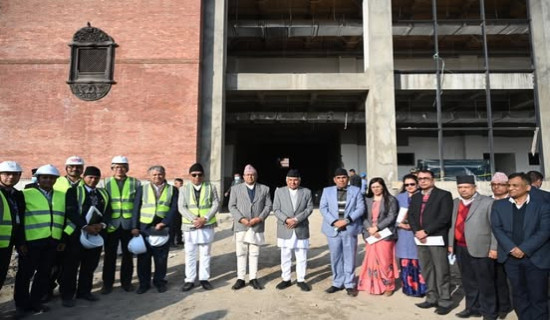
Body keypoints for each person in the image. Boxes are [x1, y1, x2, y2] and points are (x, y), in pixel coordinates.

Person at [491, 172, 550, 320]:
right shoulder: (499, 205)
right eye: (509, 185)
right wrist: (512, 249)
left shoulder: (542, 206)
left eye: (515, 185)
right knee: (518, 295)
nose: (511, 188)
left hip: (535, 258)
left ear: (528, 187)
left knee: (538, 296)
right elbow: (497, 228)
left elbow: (544, 231)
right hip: (511, 260)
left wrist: (524, 249)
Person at [14, 165, 66, 316]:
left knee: (44, 274)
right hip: (31, 242)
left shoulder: (62, 195)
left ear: (56, 180)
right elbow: (20, 220)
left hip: (52, 241)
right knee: (25, 274)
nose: (48, 180)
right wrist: (21, 242)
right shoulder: (25, 194)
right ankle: (22, 306)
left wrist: (62, 239)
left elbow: (64, 219)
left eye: (51, 178)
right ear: (38, 178)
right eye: (45, 177)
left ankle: (36, 302)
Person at [60, 166, 111, 307]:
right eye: (90, 177)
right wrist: (85, 226)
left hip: (95, 234)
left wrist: (101, 225)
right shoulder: (74, 191)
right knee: (71, 266)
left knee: (90, 265)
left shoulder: (103, 193)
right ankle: (67, 295)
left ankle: (84, 291)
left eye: (96, 178)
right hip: (76, 234)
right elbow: (71, 211)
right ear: (84, 177)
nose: (93, 180)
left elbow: (108, 212)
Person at [448, 175, 498, 319]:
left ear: (474, 188)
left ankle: (489, 312)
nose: (463, 190)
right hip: (461, 248)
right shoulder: (455, 202)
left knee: (485, 282)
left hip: (482, 248)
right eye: (460, 187)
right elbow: (452, 224)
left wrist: (494, 248)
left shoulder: (488, 202)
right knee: (468, 281)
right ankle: (472, 308)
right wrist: (451, 244)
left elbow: (495, 228)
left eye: (466, 187)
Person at [408, 170, 453, 315]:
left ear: (433, 180)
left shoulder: (444, 195)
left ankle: (445, 300)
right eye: (420, 179)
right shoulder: (415, 197)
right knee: (427, 269)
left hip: (436, 238)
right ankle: (431, 297)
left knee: (441, 270)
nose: (422, 181)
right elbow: (411, 216)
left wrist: (426, 231)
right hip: (420, 239)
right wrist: (417, 231)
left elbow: (444, 218)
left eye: (426, 179)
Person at [131, 166, 178, 294]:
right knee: (143, 258)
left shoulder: (172, 189)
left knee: (161, 258)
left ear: (164, 175)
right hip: (144, 227)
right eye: (154, 175)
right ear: (149, 176)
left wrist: (164, 222)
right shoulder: (142, 189)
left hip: (162, 227)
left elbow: (174, 209)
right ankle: (144, 284)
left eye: (160, 174)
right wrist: (134, 227)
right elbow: (136, 208)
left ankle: (159, 281)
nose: (157, 177)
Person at [319, 168, 365, 297]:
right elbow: (323, 208)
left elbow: (361, 208)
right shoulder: (327, 191)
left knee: (350, 257)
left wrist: (347, 220)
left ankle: (349, 284)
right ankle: (337, 283)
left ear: (348, 179)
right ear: (334, 179)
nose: (341, 180)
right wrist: (334, 222)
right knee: (336, 257)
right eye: (338, 178)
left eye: (343, 177)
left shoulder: (356, 191)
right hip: (332, 228)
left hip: (349, 228)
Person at [229, 164, 272, 290]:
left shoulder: (264, 189)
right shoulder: (236, 189)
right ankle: (240, 278)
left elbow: (268, 206)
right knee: (241, 253)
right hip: (241, 225)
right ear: (243, 176)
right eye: (247, 175)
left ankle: (253, 278)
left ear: (256, 176)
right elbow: (232, 206)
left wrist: (259, 218)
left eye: (252, 174)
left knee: (254, 253)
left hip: (256, 225)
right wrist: (241, 219)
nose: (250, 177)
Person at [102, 156, 140, 294]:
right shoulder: (105, 182)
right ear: (112, 168)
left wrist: (135, 225)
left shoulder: (135, 183)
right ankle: (107, 284)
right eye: (116, 167)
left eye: (123, 166)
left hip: (128, 225)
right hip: (112, 225)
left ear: (127, 168)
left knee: (128, 256)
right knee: (109, 256)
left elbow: (137, 206)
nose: (120, 169)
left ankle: (126, 282)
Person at [178, 163, 219, 291]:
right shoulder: (184, 189)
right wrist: (194, 220)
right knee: (190, 253)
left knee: (205, 253)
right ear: (190, 176)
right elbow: (181, 207)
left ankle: (204, 279)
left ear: (203, 175)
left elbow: (216, 204)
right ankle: (189, 280)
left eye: (200, 175)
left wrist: (204, 218)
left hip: (206, 225)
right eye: (194, 175)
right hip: (190, 226)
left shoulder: (211, 187)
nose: (197, 177)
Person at [273, 169, 314, 292]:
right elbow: (276, 209)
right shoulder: (279, 192)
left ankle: (301, 279)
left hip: (300, 227)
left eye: (295, 180)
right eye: (290, 180)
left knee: (301, 255)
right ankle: (286, 279)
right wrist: (286, 220)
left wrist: (296, 219)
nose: (293, 182)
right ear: (286, 180)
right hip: (285, 227)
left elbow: (309, 208)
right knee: (285, 255)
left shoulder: (306, 192)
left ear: (299, 180)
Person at [357, 177, 398, 296]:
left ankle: (389, 285)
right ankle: (373, 284)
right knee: (371, 261)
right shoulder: (367, 200)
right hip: (370, 234)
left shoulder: (391, 200)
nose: (375, 189)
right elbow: (362, 217)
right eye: (373, 187)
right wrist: (370, 228)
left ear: (383, 187)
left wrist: (377, 228)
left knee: (385, 261)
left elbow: (391, 217)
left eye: (378, 187)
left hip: (384, 234)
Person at [395, 174, 426, 297]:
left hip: (418, 233)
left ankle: (422, 288)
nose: (409, 187)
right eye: (406, 184)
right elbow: (392, 214)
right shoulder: (399, 198)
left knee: (419, 261)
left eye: (412, 184)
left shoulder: (423, 196)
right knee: (405, 262)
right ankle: (408, 288)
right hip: (403, 234)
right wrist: (400, 224)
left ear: (417, 184)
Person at [490, 172, 513, 319]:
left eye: (501, 184)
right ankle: (502, 306)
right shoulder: (486, 201)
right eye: (494, 184)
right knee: (497, 280)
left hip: (511, 247)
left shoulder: (514, 202)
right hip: (491, 249)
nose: (497, 187)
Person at [0, 161, 24, 292]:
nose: (11, 177)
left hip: (7, 243)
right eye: (7, 174)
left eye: (15, 174)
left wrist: (20, 242)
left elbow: (18, 220)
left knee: (1, 275)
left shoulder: (17, 194)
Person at [169, 178, 184, 247]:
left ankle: (179, 240)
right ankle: (172, 242)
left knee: (179, 227)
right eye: (179, 184)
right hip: (173, 212)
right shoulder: (172, 190)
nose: (181, 185)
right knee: (173, 228)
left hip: (180, 212)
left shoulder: (182, 190)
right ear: (175, 184)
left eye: (181, 184)